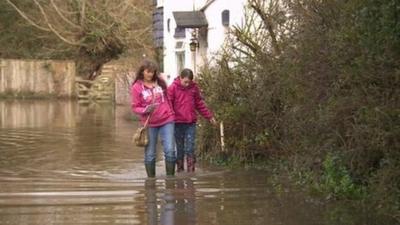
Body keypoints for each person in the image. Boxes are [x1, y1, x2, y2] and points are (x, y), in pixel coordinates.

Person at [131, 60, 176, 177]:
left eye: (153, 72)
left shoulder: (160, 82)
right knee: (150, 154)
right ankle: (151, 182)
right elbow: (135, 107)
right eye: (148, 72)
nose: (150, 74)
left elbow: (168, 98)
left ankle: (170, 179)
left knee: (170, 151)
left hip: (167, 120)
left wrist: (171, 112)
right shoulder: (136, 87)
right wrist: (145, 110)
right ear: (142, 72)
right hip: (150, 123)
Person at [168, 68, 216, 172]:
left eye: (189, 82)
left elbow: (199, 104)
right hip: (177, 124)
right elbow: (168, 105)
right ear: (180, 78)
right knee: (180, 150)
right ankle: (180, 172)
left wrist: (210, 117)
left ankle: (191, 173)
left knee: (190, 148)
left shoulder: (194, 88)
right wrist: (168, 119)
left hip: (190, 123)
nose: (187, 84)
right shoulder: (172, 88)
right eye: (185, 82)